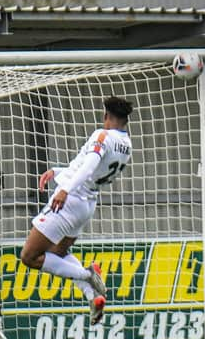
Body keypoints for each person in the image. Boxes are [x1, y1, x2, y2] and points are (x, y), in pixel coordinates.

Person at [20, 96, 134, 326]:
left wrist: (64, 189)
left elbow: (90, 165)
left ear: (107, 116)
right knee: (58, 253)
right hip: (87, 205)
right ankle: (92, 296)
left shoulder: (102, 135)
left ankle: (88, 275)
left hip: (70, 201)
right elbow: (92, 171)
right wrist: (59, 171)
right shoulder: (127, 146)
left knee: (29, 256)